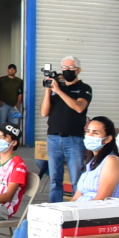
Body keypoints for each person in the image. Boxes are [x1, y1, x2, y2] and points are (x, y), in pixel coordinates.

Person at [41, 56, 92, 203]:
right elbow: (44, 112)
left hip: (74, 139)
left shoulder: (84, 88)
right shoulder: (57, 88)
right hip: (54, 138)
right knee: (55, 179)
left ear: (79, 70)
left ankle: (77, 208)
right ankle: (55, 207)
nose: (67, 70)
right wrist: (49, 91)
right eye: (64, 67)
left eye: (71, 68)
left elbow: (79, 107)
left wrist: (59, 91)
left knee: (76, 179)